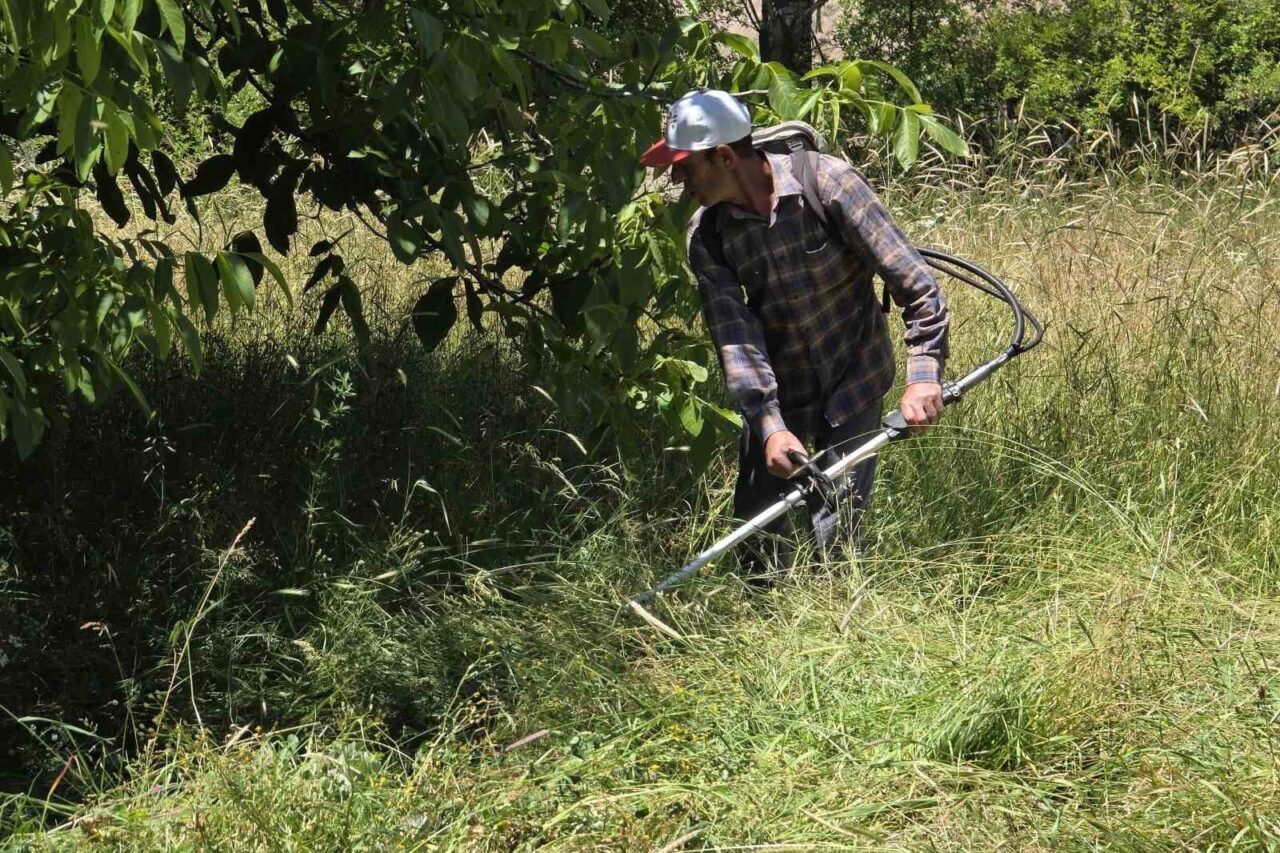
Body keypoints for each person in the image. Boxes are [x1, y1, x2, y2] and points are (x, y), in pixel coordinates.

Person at [639, 89, 950, 576]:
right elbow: (735, 338)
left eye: (685, 166)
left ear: (723, 156)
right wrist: (769, 424)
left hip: (855, 375)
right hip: (780, 390)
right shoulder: (708, 235)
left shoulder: (828, 184)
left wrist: (924, 376)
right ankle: (761, 624)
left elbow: (917, 285)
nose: (677, 179)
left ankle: (841, 627)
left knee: (837, 525)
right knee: (757, 529)